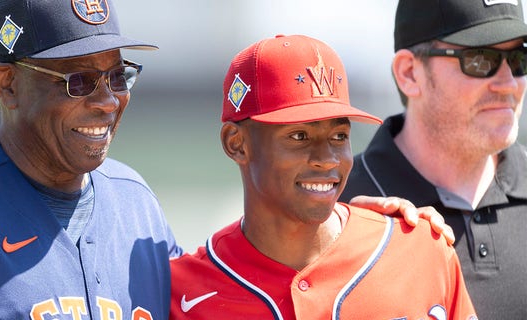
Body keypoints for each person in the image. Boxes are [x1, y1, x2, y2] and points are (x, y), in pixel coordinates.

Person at [0, 0, 183, 318]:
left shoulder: (138, 205)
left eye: (118, 77)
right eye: (79, 81)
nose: (108, 101)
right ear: (7, 84)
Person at [170, 34, 477, 320]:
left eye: (339, 135)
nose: (326, 158)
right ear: (236, 143)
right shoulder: (180, 291)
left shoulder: (421, 249)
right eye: (300, 135)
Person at [339, 0, 527, 318]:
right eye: (481, 59)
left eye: (520, 57)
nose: (509, 83)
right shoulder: (338, 212)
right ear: (410, 73)